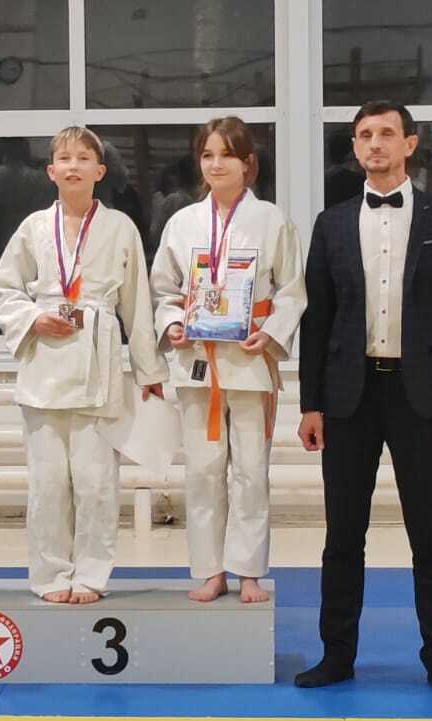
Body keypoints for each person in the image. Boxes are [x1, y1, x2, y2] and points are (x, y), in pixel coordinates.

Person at [294, 101, 432, 695]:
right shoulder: (330, 224)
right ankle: (336, 655)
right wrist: (310, 403)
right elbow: (317, 320)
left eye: (385, 134)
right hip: (347, 397)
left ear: (410, 144)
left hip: (421, 396)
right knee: (342, 537)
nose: (374, 144)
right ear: (354, 147)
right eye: (363, 135)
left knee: (431, 537)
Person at [0, 126, 167, 604]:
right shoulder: (32, 228)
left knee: (95, 482)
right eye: (64, 159)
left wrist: (149, 372)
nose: (73, 166)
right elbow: (4, 289)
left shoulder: (120, 227)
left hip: (98, 361)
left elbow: (137, 304)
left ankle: (90, 574)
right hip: (44, 363)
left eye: (83, 158)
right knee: (48, 482)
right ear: (50, 171)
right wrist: (32, 317)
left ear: (100, 170)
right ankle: (50, 574)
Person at [150, 117, 306, 604]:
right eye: (207, 155)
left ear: (248, 163)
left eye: (227, 155)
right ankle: (210, 569)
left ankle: (249, 571)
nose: (216, 164)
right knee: (202, 471)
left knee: (251, 471)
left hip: (250, 360)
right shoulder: (182, 222)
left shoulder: (273, 221)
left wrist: (271, 332)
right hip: (197, 360)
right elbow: (163, 289)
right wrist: (171, 324)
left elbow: (292, 291)